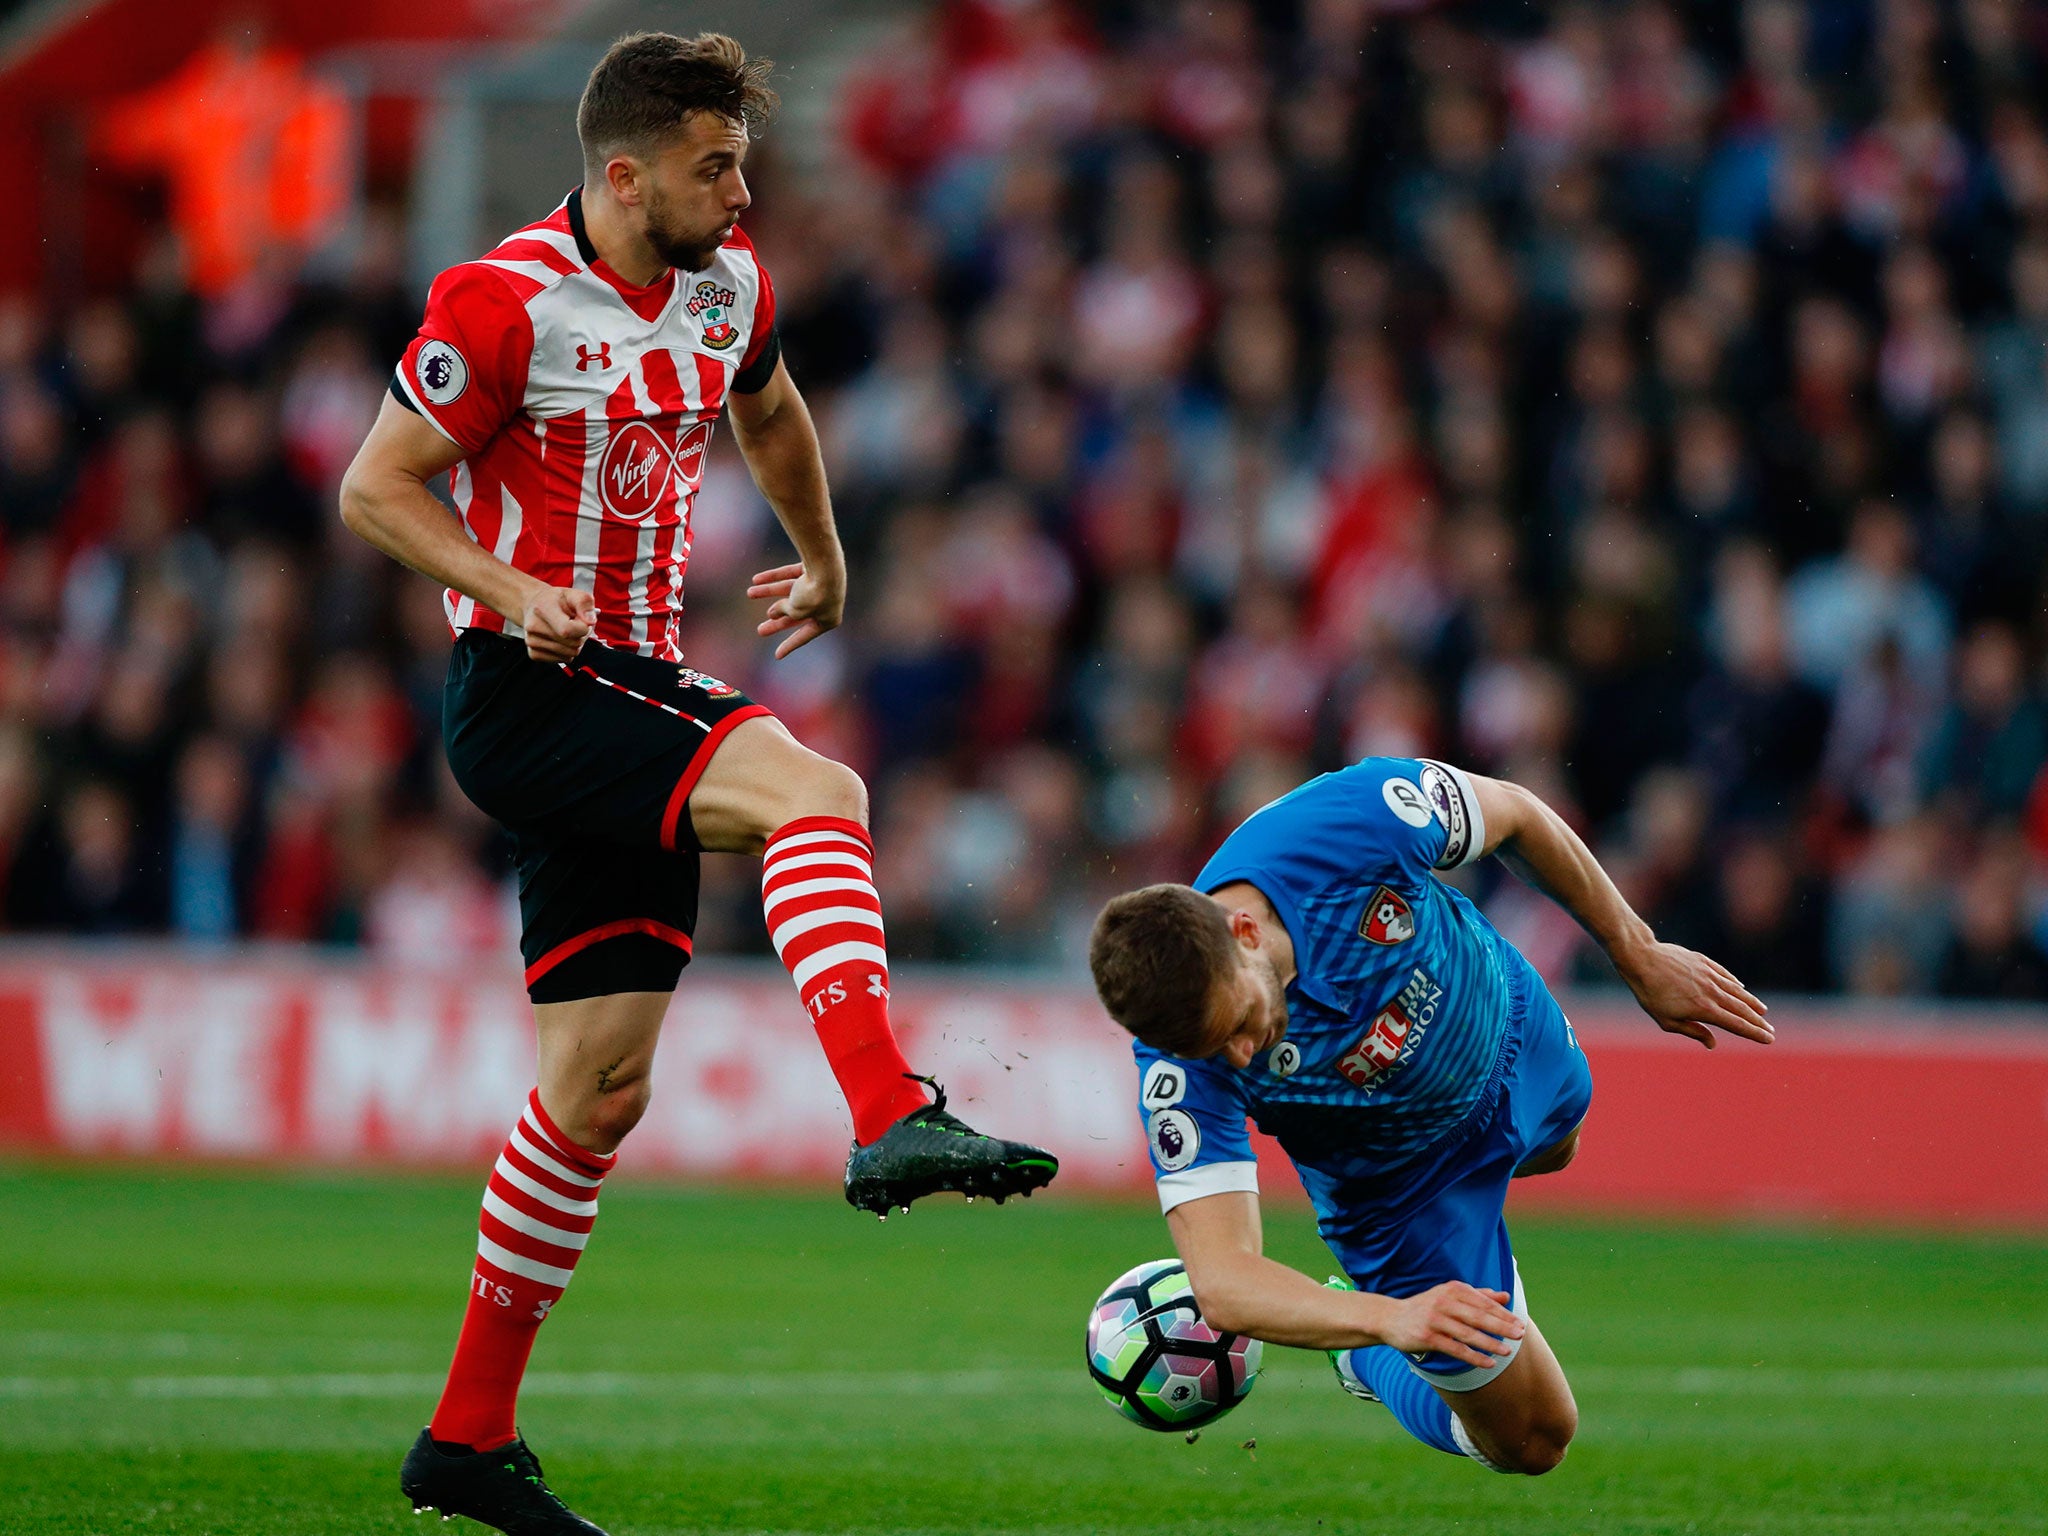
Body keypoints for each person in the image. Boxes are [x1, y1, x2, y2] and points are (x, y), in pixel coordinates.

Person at [338, 32, 1057, 1535]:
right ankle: (888, 1110)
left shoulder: (733, 284)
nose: (741, 190)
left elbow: (773, 407)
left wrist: (831, 552)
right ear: (623, 172)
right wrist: (496, 581)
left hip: (617, 688)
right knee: (819, 791)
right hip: (533, 685)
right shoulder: (504, 300)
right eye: (714, 165)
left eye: (741, 162)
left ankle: (464, 1443)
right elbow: (375, 484)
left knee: (597, 1093)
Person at [1088, 757, 1771, 1474]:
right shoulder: (1179, 1072)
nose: (1243, 1051)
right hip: (1402, 1196)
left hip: (1506, 1023)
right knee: (1536, 1442)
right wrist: (1391, 1320)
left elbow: (1515, 812)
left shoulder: (1342, 827)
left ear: (1246, 934)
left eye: (1242, 1021)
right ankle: (1367, 1360)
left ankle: (1463, 1266)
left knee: (1563, 1144)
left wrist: (1637, 952)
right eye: (1214, 1049)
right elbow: (1223, 1282)